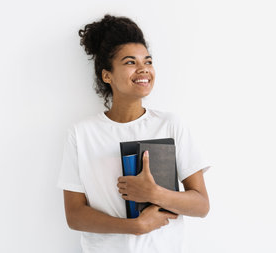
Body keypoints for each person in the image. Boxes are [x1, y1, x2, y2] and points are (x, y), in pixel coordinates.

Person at [57, 14, 211, 253]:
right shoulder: (81, 134)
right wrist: (134, 226)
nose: (143, 70)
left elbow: (201, 206)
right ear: (106, 75)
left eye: (148, 62)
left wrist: (154, 193)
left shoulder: (170, 125)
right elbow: (75, 215)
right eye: (130, 62)